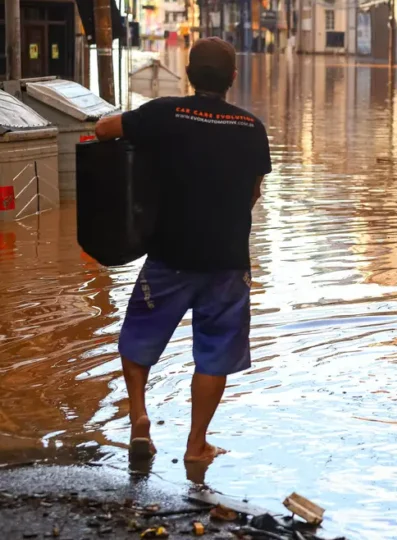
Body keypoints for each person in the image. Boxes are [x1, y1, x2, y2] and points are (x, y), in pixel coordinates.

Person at [95, 37, 271, 464]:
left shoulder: (164, 113)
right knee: (214, 354)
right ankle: (197, 446)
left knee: (138, 338)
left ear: (188, 75)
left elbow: (103, 130)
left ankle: (139, 418)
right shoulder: (252, 128)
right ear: (233, 78)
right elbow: (253, 193)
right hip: (227, 262)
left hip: (169, 257)